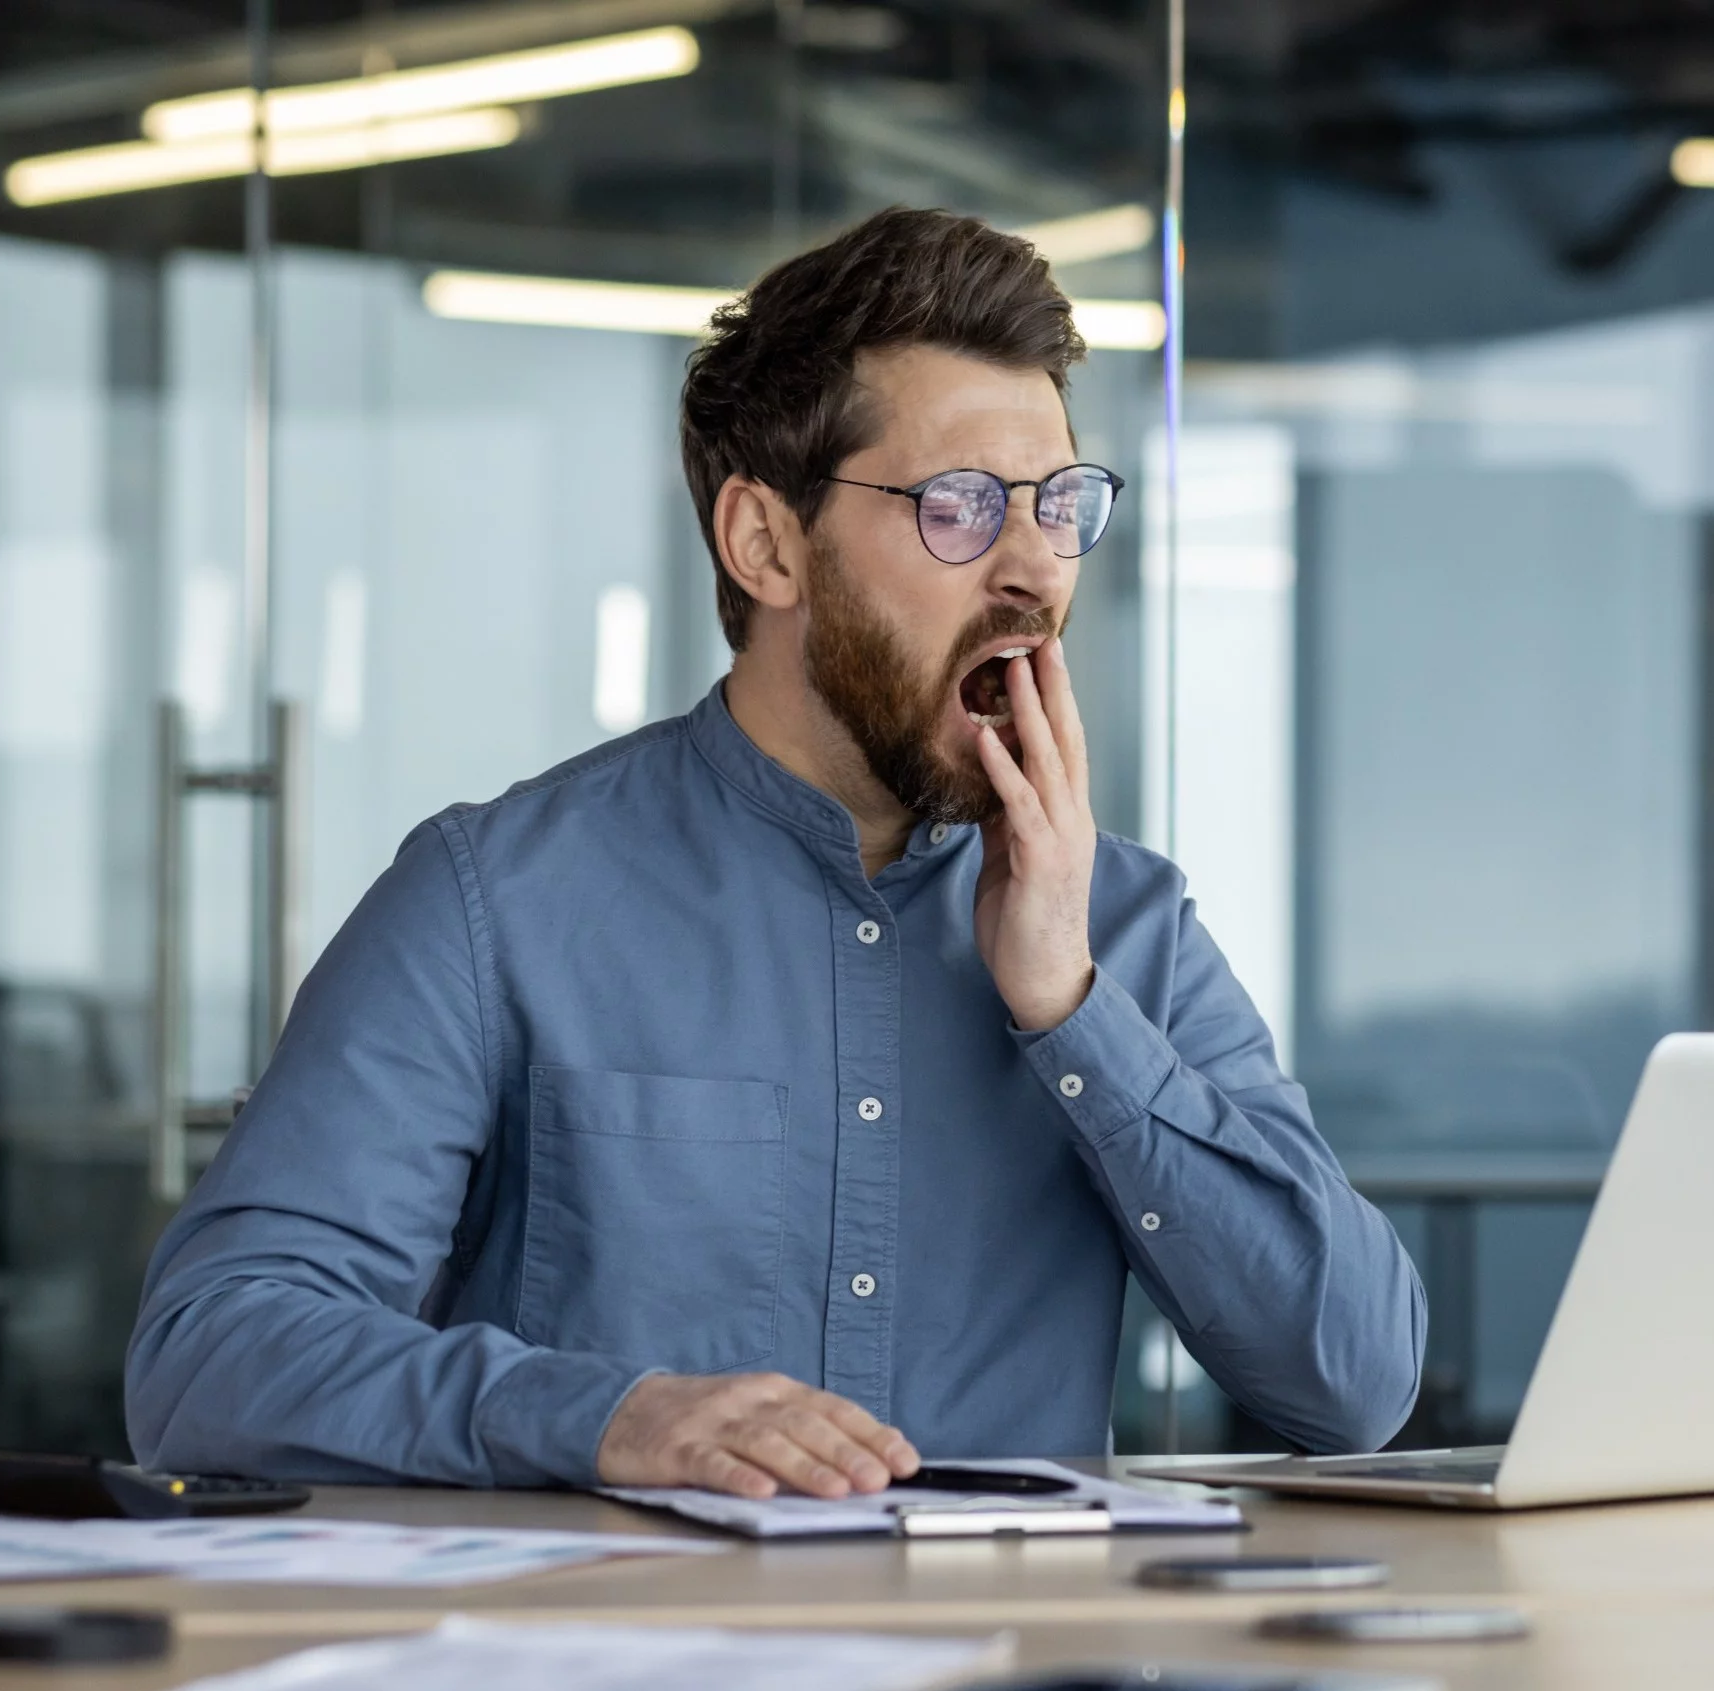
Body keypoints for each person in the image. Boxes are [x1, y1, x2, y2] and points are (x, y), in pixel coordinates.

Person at [126, 207, 1426, 1498]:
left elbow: (1353, 1384)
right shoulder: (496, 900)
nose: (1033, 567)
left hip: (1017, 1690)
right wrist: (602, 1414)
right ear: (766, 543)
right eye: (961, 506)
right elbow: (208, 1355)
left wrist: (1071, 1010)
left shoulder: (1121, 924)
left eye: (1057, 503)